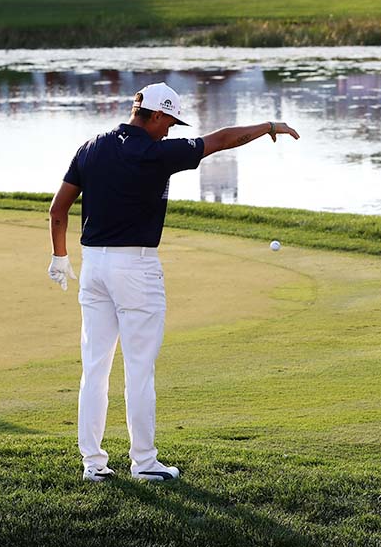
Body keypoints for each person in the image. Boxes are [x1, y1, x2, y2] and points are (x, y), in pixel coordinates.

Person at [48, 83, 300, 482]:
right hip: (136, 268)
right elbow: (220, 140)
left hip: (92, 267)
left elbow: (58, 209)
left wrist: (59, 257)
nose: (170, 131)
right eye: (169, 123)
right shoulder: (156, 153)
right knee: (139, 370)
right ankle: (144, 463)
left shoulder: (91, 147)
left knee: (94, 370)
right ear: (157, 115)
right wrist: (268, 125)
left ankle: (93, 465)